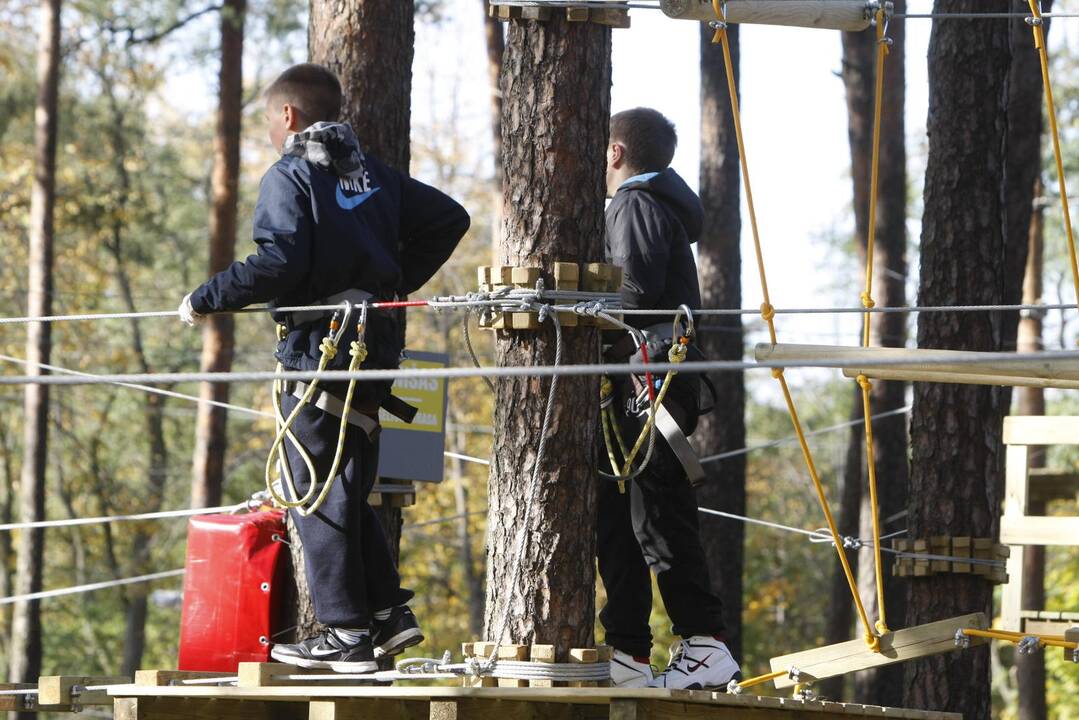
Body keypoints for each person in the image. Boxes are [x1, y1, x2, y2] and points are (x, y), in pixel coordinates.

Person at [178, 63, 470, 673]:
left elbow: (278, 261)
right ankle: (387, 614)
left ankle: (345, 634)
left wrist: (207, 297)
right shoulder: (375, 179)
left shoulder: (293, 175)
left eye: (267, 121)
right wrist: (382, 288)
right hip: (374, 353)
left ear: (287, 116)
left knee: (313, 490)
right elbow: (450, 218)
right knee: (347, 488)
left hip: (321, 352)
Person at [597, 107, 741, 690]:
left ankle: (703, 641)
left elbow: (636, 291)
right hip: (639, 382)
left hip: (649, 383)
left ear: (614, 152)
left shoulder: (633, 205)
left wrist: (571, 307)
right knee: (619, 515)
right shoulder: (652, 207)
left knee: (658, 512)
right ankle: (628, 651)